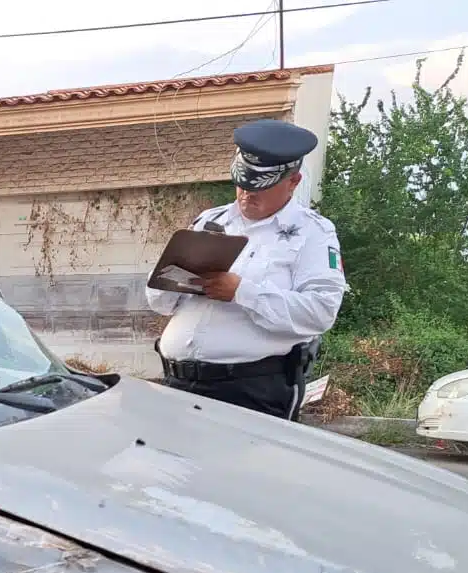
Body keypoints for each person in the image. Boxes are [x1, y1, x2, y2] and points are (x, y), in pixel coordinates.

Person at [145, 118, 346, 418]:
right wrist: (170, 277)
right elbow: (159, 303)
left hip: (250, 391)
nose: (246, 193)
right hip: (177, 384)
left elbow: (321, 311)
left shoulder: (313, 232)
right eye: (242, 181)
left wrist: (241, 291)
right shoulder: (209, 220)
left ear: (293, 181)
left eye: (260, 186)